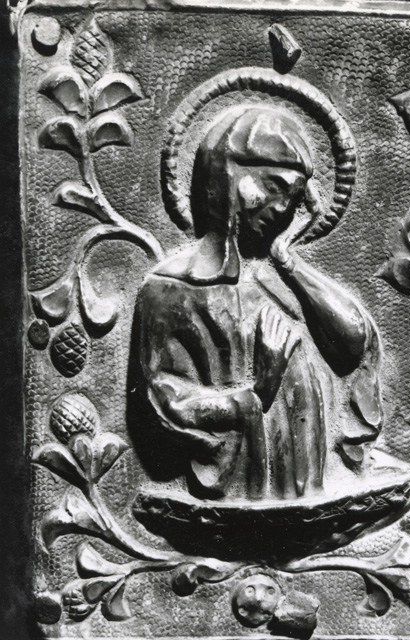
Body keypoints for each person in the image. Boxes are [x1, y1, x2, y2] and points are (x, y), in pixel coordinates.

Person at [129, 105, 382, 502]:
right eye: (274, 187)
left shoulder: (277, 277)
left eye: (294, 197)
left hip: (307, 478)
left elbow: (354, 345)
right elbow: (163, 403)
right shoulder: (172, 290)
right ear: (227, 180)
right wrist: (257, 392)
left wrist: (289, 261)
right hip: (242, 489)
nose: (282, 209)